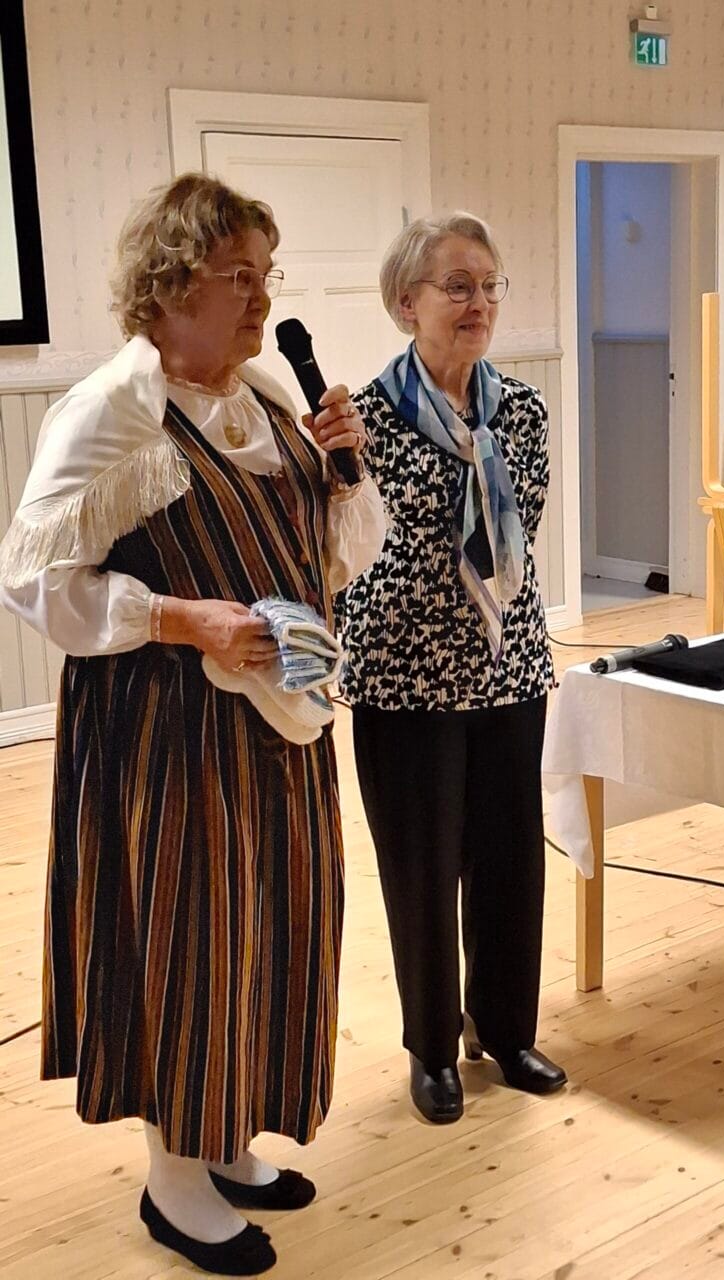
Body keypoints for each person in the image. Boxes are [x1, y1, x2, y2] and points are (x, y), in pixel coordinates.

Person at [0, 174, 385, 1275]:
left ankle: (224, 1139)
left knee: (273, 931)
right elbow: (33, 581)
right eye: (237, 276)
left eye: (267, 274)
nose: (262, 297)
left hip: (280, 720)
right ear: (171, 286)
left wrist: (343, 470)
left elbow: (337, 558)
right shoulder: (110, 413)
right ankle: (174, 1181)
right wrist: (178, 617)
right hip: (169, 734)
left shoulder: (260, 395)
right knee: (192, 941)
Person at [336, 212, 566, 1125]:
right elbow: (347, 545)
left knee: (511, 861)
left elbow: (519, 536)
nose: (479, 303)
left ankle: (505, 1030)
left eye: (489, 285)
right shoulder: (361, 421)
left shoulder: (523, 411)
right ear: (407, 304)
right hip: (404, 675)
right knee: (422, 870)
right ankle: (432, 1047)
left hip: (508, 666)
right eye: (457, 286)